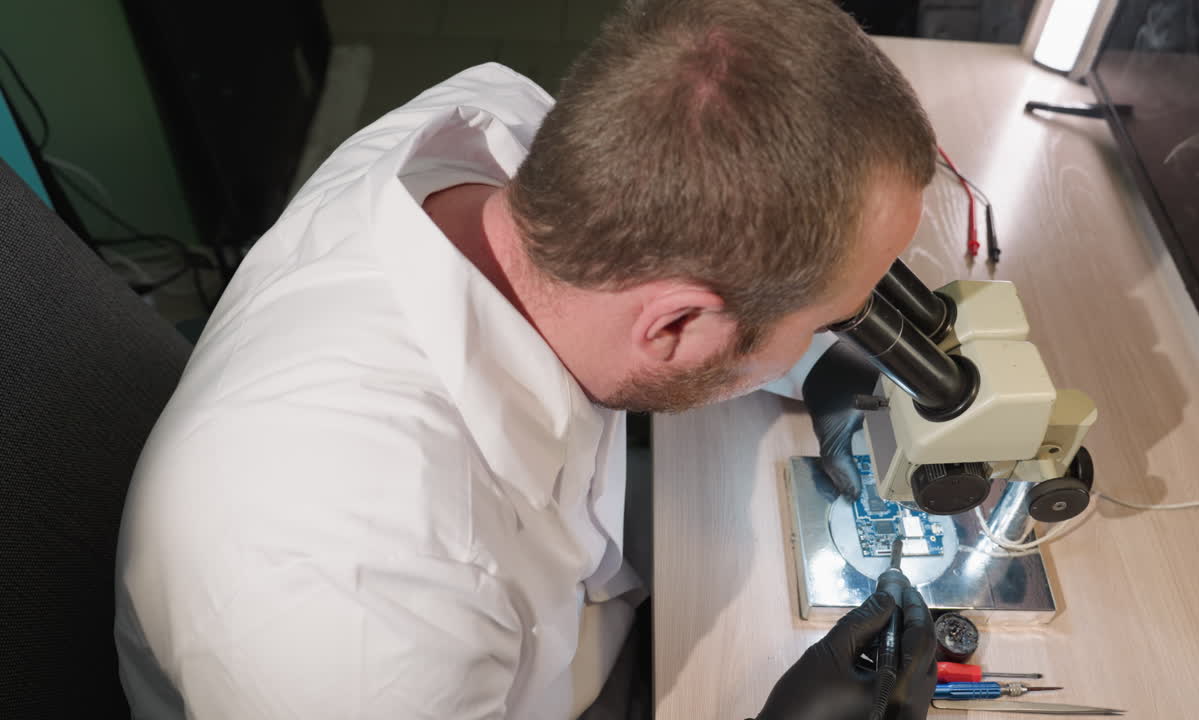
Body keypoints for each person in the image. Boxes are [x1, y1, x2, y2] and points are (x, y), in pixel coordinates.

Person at [114, 0, 939, 717]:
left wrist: (813, 360)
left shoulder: (506, 130)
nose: (847, 329)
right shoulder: (361, 607)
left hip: (570, 594)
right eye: (837, 316)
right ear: (677, 325)